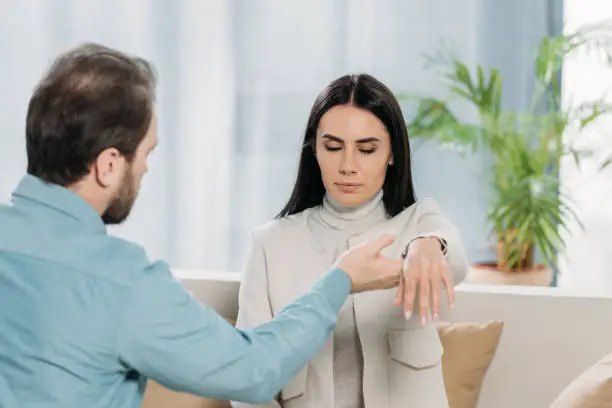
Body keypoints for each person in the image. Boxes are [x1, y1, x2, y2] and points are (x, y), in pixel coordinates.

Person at [0, 44, 407, 408]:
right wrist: (340, 280)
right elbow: (252, 370)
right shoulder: (123, 284)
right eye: (147, 152)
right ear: (108, 165)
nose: (144, 168)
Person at [233, 73, 469, 408]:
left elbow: (454, 259)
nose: (348, 165)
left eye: (367, 149)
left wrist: (428, 246)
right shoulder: (271, 245)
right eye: (332, 147)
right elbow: (248, 383)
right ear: (314, 150)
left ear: (392, 154)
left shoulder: (420, 222)